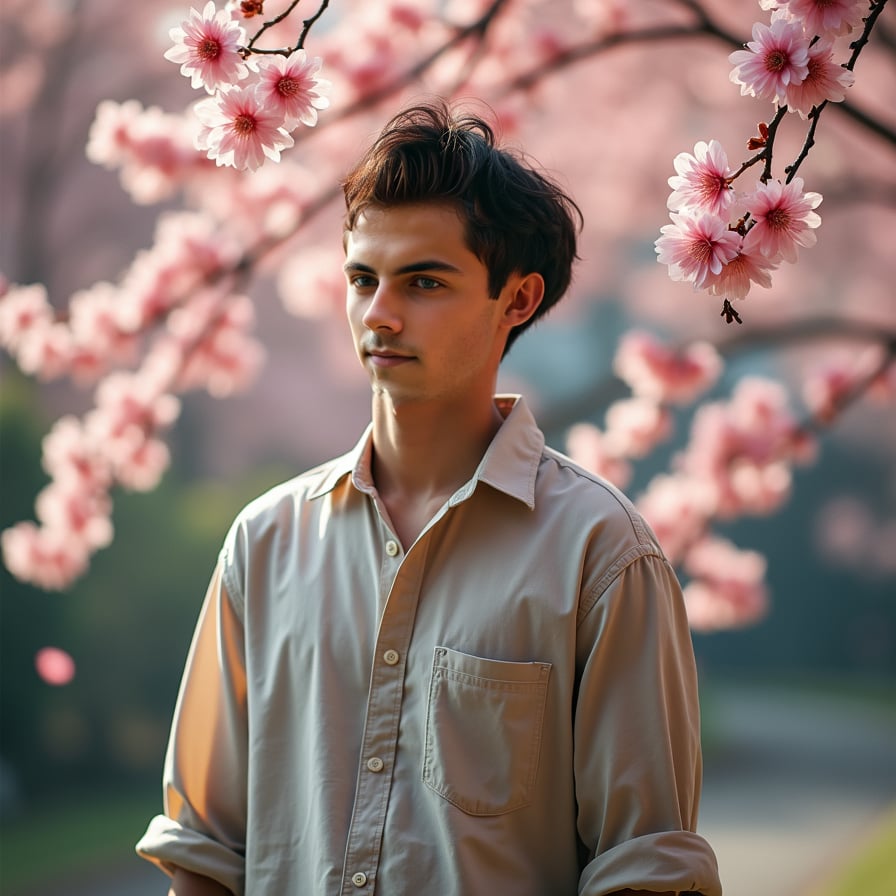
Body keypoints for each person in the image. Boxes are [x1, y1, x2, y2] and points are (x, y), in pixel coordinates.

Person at [137, 100, 722, 896]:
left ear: (517, 300)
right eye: (362, 279)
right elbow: (204, 854)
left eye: (424, 282)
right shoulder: (264, 542)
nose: (379, 315)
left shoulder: (600, 553)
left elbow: (644, 871)